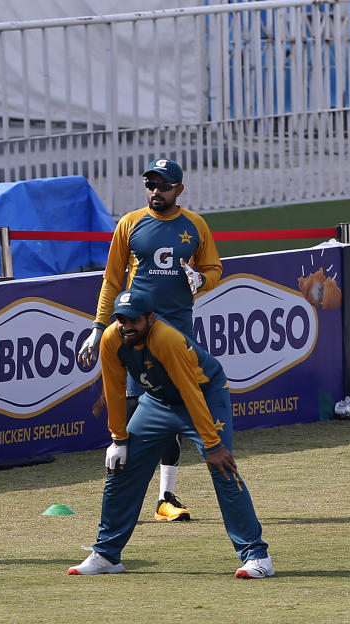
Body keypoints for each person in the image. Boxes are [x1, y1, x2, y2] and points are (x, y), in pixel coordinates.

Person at [68, 289, 272, 577]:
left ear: (151, 318)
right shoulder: (112, 338)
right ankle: (106, 555)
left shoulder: (166, 339)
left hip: (204, 396)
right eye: (121, 319)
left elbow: (190, 391)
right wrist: (118, 438)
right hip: (157, 401)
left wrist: (213, 445)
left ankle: (257, 556)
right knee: (120, 468)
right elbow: (114, 389)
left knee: (222, 468)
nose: (126, 325)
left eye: (134, 320)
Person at [78, 157, 223, 521]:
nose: (155, 191)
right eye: (150, 184)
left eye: (163, 185)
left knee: (172, 407)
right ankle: (121, 491)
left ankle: (166, 499)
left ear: (179, 189)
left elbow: (214, 268)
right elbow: (112, 279)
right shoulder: (129, 224)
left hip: (176, 330)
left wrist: (203, 281)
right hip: (132, 331)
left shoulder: (195, 225)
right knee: (130, 410)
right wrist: (98, 327)